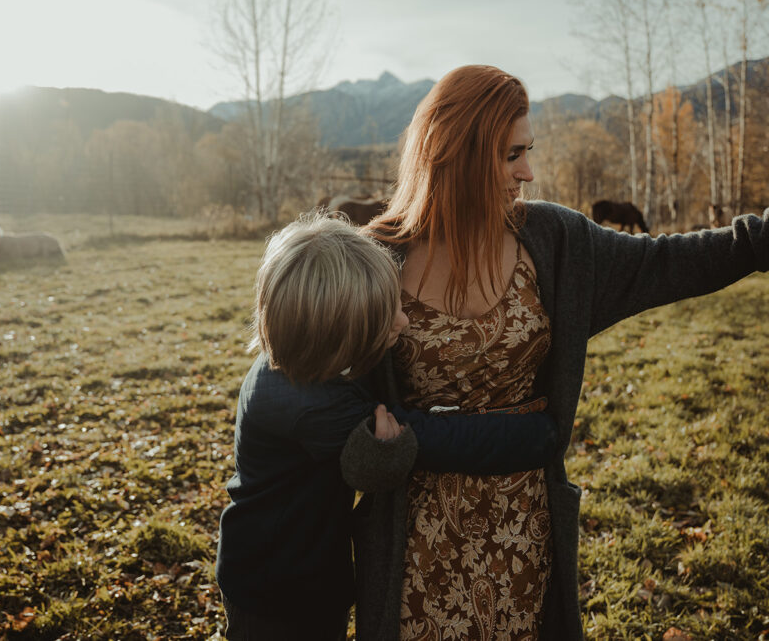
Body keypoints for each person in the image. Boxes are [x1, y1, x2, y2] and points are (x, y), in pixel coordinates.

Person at [338, 64, 769, 640]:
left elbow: (676, 260)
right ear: (457, 152)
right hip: (413, 543)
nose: (528, 172)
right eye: (510, 155)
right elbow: (318, 393)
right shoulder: (375, 259)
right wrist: (369, 458)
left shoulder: (554, 241)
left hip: (524, 531)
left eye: (529, 150)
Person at [215, 213, 561, 641]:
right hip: (275, 595)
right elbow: (429, 438)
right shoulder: (306, 406)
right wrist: (532, 436)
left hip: (312, 577)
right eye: (385, 315)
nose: (403, 321)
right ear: (337, 331)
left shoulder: (303, 367)